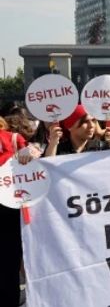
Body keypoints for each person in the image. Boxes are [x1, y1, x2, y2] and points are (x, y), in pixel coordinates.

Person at [0, 117, 41, 307]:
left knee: (8, 273)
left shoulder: (12, 139)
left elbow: (37, 160)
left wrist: (32, 152)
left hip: (10, 217)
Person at [44, 105, 110, 156]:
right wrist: (53, 143)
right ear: (70, 126)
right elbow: (47, 170)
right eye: (85, 122)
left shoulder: (101, 148)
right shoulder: (58, 149)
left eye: (93, 121)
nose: (92, 125)